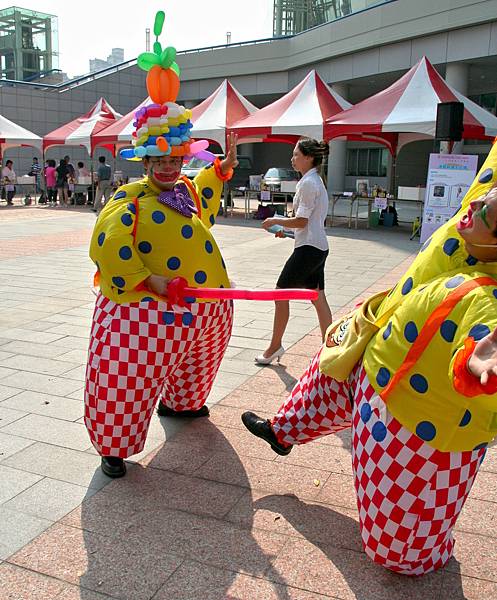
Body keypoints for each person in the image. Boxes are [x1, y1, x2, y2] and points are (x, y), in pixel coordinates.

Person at [241, 143, 497, 576]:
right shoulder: (471, 222)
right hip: (370, 341)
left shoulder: (487, 294)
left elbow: (486, 333)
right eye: (483, 197)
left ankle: (422, 548)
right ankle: (281, 432)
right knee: (315, 387)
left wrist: (484, 361)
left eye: (488, 211)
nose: (473, 204)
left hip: (405, 407)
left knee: (398, 553)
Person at [84, 20, 239, 480]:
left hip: (206, 304)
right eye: (161, 160)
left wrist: (221, 170)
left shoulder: (187, 189)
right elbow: (108, 244)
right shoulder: (129, 199)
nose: (170, 167)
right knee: (125, 378)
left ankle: (183, 403)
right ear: (145, 160)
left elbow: (204, 204)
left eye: (176, 159)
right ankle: (113, 446)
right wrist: (148, 280)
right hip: (147, 308)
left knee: (200, 360)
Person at [255, 138, 333, 365]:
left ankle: (274, 347)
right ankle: (328, 348)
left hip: (309, 249)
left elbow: (301, 221)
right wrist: (286, 232)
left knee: (280, 294)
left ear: (309, 158)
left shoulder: (308, 183)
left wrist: (274, 220)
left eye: (296, 154)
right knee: (318, 298)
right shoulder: (314, 180)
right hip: (316, 247)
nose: (292, 158)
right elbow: (308, 225)